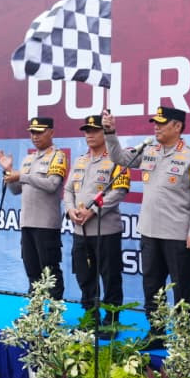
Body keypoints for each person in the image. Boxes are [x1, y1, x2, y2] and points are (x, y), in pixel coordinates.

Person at [103, 106, 190, 347]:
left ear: (177, 126)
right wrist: (110, 133)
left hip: (178, 234)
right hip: (150, 231)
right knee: (152, 285)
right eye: (155, 123)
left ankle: (184, 336)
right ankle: (156, 332)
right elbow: (119, 158)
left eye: (162, 123)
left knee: (182, 287)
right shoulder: (149, 150)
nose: (157, 127)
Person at [64, 115, 129, 325]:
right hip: (80, 231)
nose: (89, 134)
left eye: (94, 130)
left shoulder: (117, 159)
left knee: (110, 278)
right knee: (84, 276)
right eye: (87, 130)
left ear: (104, 133)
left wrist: (92, 211)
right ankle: (91, 317)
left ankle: (112, 320)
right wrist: (70, 209)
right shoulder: (80, 160)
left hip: (106, 231)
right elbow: (68, 190)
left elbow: (119, 192)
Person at [0, 117, 68, 299]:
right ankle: (36, 311)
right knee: (32, 272)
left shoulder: (58, 156)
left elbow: (52, 185)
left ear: (51, 132)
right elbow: (15, 190)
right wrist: (8, 170)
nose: (35, 136)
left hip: (46, 225)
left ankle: (54, 311)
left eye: (40, 132)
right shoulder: (28, 159)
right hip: (27, 224)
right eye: (32, 132)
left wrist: (22, 176)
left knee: (50, 272)